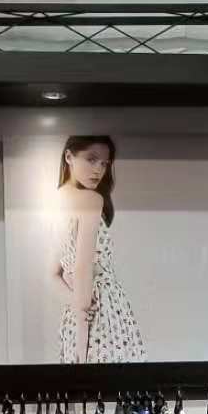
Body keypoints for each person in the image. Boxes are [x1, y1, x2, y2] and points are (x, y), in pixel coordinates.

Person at [53, 135, 145, 364]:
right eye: (91, 159)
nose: (98, 170)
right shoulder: (90, 199)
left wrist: (76, 307)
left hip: (74, 315)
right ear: (69, 156)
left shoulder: (56, 200)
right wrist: (83, 330)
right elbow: (83, 267)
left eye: (104, 163)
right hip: (103, 311)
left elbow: (52, 275)